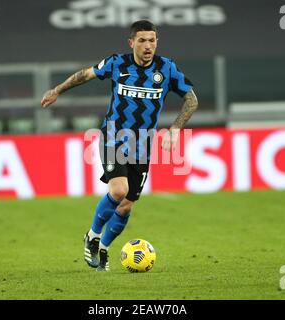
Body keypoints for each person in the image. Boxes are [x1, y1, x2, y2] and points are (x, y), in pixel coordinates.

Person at [41, 20, 198, 271]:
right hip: (113, 137)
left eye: (152, 40)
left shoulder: (166, 69)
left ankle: (103, 248)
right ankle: (92, 236)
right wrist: (58, 89)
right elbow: (86, 74)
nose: (148, 46)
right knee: (118, 190)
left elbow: (191, 99)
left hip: (143, 145)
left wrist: (175, 128)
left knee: (125, 206)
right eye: (142, 40)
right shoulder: (118, 63)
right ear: (132, 42)